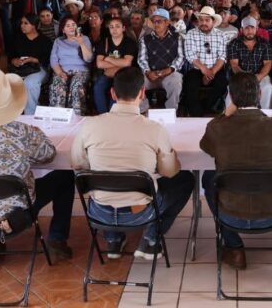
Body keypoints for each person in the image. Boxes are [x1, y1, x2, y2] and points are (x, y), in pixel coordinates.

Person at [70, 66, 194, 258]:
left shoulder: (90, 125)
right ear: (142, 94)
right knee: (185, 179)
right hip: (140, 213)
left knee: (104, 180)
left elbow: (78, 165)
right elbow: (169, 172)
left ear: (112, 93)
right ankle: (151, 238)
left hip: (100, 211)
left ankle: (113, 240)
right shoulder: (154, 129)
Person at [0, 70, 74, 265]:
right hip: (13, 220)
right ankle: (57, 239)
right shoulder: (22, 132)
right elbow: (48, 155)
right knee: (64, 177)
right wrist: (38, 134)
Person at [200, 73, 272, 270]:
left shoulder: (217, 127)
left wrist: (226, 114)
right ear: (260, 94)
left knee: (208, 178)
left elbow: (206, 146)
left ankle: (234, 247)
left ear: (231, 97)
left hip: (230, 214)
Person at [182, 7, 229, 116]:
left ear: (213, 21)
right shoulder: (191, 34)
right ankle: (196, 114)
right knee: (190, 85)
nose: (203, 23)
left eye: (207, 20)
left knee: (222, 83)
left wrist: (211, 72)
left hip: (215, 69)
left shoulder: (221, 35)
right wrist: (204, 70)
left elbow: (222, 57)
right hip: (197, 69)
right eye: (201, 20)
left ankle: (208, 107)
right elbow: (190, 55)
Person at [137, 8, 184, 110]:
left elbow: (180, 57)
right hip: (150, 75)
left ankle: (171, 111)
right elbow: (142, 59)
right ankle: (144, 110)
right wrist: (148, 72)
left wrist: (170, 69)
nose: (155, 24)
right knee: (136, 81)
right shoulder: (145, 39)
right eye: (154, 21)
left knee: (176, 80)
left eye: (159, 21)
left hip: (169, 74)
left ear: (167, 23)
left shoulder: (177, 37)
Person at [8, 13, 52, 115]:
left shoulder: (45, 40)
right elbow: (11, 55)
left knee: (30, 83)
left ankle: (30, 113)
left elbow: (48, 59)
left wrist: (33, 59)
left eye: (25, 23)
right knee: (6, 81)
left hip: (39, 69)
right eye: (21, 23)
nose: (22, 25)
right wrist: (14, 60)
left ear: (33, 25)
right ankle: (11, 113)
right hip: (20, 69)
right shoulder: (17, 39)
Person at [226, 16, 272, 111]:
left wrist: (259, 76)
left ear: (257, 29)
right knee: (233, 88)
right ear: (241, 30)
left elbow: (268, 63)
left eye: (252, 28)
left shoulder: (264, 44)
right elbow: (234, 65)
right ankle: (230, 115)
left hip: (260, 75)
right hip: (240, 75)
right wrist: (245, 77)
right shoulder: (234, 43)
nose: (250, 31)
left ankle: (265, 114)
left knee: (268, 87)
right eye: (247, 28)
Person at [48, 15, 94, 113]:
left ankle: (76, 114)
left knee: (76, 84)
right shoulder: (58, 41)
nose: (71, 27)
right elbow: (53, 60)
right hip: (62, 70)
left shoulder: (84, 38)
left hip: (81, 71)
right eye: (68, 26)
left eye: (73, 24)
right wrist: (60, 73)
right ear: (63, 30)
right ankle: (58, 114)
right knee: (57, 84)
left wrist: (81, 43)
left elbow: (89, 59)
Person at [93, 15, 138, 114]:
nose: (114, 29)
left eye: (117, 26)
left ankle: (113, 115)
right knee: (98, 87)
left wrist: (108, 58)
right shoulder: (104, 42)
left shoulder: (129, 43)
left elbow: (127, 63)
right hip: (107, 74)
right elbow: (99, 64)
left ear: (123, 28)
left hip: (123, 75)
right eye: (111, 27)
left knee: (117, 89)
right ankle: (103, 115)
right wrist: (119, 64)